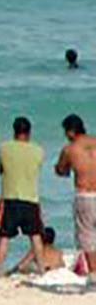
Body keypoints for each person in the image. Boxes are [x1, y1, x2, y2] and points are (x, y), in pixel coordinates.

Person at [0, 117, 46, 278]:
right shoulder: (38, 150)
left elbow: (1, 169)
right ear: (29, 132)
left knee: (4, 237)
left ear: (14, 131)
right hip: (31, 198)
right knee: (35, 236)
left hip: (10, 197)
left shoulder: (4, 148)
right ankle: (42, 270)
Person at [54, 114, 96, 284]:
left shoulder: (70, 149)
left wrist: (59, 168)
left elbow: (62, 170)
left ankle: (94, 272)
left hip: (85, 195)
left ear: (71, 131)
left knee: (87, 235)